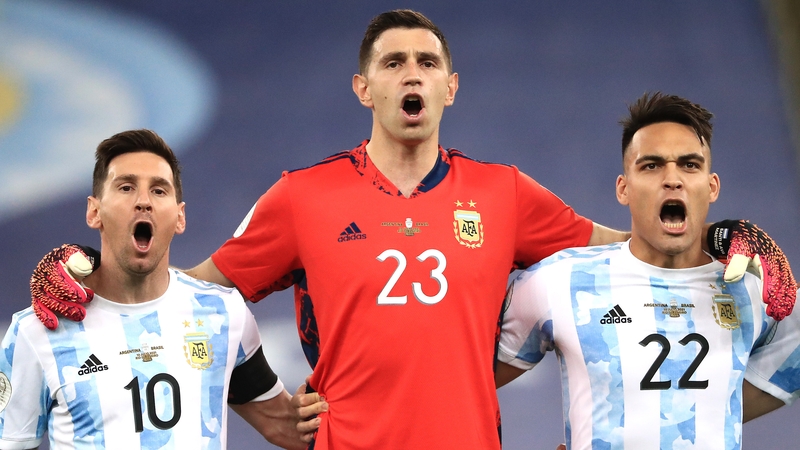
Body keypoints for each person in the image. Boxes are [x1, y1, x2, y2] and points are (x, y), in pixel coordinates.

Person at [27, 10, 796, 450]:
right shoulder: (301, 197)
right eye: (393, 62)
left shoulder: (503, 193)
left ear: (451, 87)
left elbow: (631, 245)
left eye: (428, 61)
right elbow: (186, 295)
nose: (413, 73)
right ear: (365, 86)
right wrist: (83, 273)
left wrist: (726, 240)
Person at [495, 92, 798, 449]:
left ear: (711, 186)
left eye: (689, 165)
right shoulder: (559, 282)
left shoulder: (751, 284)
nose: (673, 179)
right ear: (623, 188)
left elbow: (788, 369)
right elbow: (466, 383)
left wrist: (706, 413)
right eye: (651, 165)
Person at [0, 130, 311, 449]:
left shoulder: (223, 313)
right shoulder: (37, 330)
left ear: (180, 217)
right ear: (95, 211)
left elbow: (284, 424)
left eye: (159, 190)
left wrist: (315, 412)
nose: (144, 201)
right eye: (126, 187)